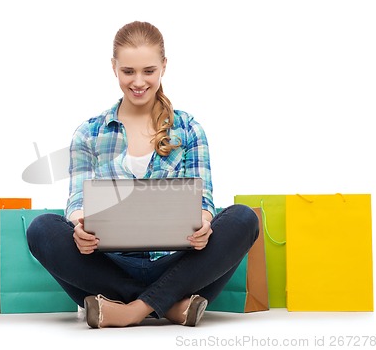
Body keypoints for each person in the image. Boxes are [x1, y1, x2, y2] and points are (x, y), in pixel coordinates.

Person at [27, 21, 259, 328]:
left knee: (244, 219)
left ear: (164, 66)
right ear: (114, 68)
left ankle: (127, 311)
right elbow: (77, 201)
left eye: (148, 71)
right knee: (41, 228)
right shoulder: (89, 133)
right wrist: (79, 226)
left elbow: (205, 200)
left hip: (177, 261)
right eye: (128, 72)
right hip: (109, 263)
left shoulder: (189, 130)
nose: (138, 82)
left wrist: (204, 224)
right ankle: (170, 306)